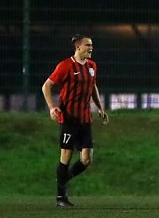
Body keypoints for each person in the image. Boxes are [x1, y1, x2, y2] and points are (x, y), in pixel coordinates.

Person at [42, 34, 110, 208]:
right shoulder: (65, 66)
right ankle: (60, 197)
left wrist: (100, 108)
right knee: (66, 156)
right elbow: (46, 86)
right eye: (88, 45)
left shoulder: (92, 66)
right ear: (78, 47)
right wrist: (52, 107)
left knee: (86, 159)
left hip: (85, 118)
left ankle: (64, 180)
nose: (91, 48)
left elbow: (93, 86)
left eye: (92, 45)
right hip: (69, 118)